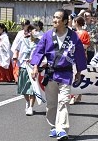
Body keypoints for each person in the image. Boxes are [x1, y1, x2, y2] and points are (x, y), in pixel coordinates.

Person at [30, 9, 87, 140]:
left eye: (58, 18)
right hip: (50, 73)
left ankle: (62, 129)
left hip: (66, 73)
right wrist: (35, 66)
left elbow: (79, 54)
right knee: (51, 103)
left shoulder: (73, 37)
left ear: (65, 21)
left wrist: (78, 71)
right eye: (54, 17)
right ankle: (53, 126)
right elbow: (39, 51)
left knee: (64, 101)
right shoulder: (47, 35)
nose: (54, 20)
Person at [14, 24, 42, 116]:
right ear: (29, 32)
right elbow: (16, 49)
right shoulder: (23, 40)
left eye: (36, 31)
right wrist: (15, 57)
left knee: (32, 88)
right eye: (33, 30)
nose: (35, 32)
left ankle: (31, 107)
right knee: (24, 89)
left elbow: (41, 54)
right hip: (23, 65)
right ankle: (27, 101)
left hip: (33, 67)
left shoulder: (39, 42)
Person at [70, 16, 90, 105]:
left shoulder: (84, 33)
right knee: (73, 75)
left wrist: (76, 47)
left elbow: (85, 45)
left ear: (77, 22)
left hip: (80, 56)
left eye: (74, 21)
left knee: (79, 74)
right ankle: (74, 95)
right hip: (71, 57)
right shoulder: (73, 33)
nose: (73, 23)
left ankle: (76, 95)